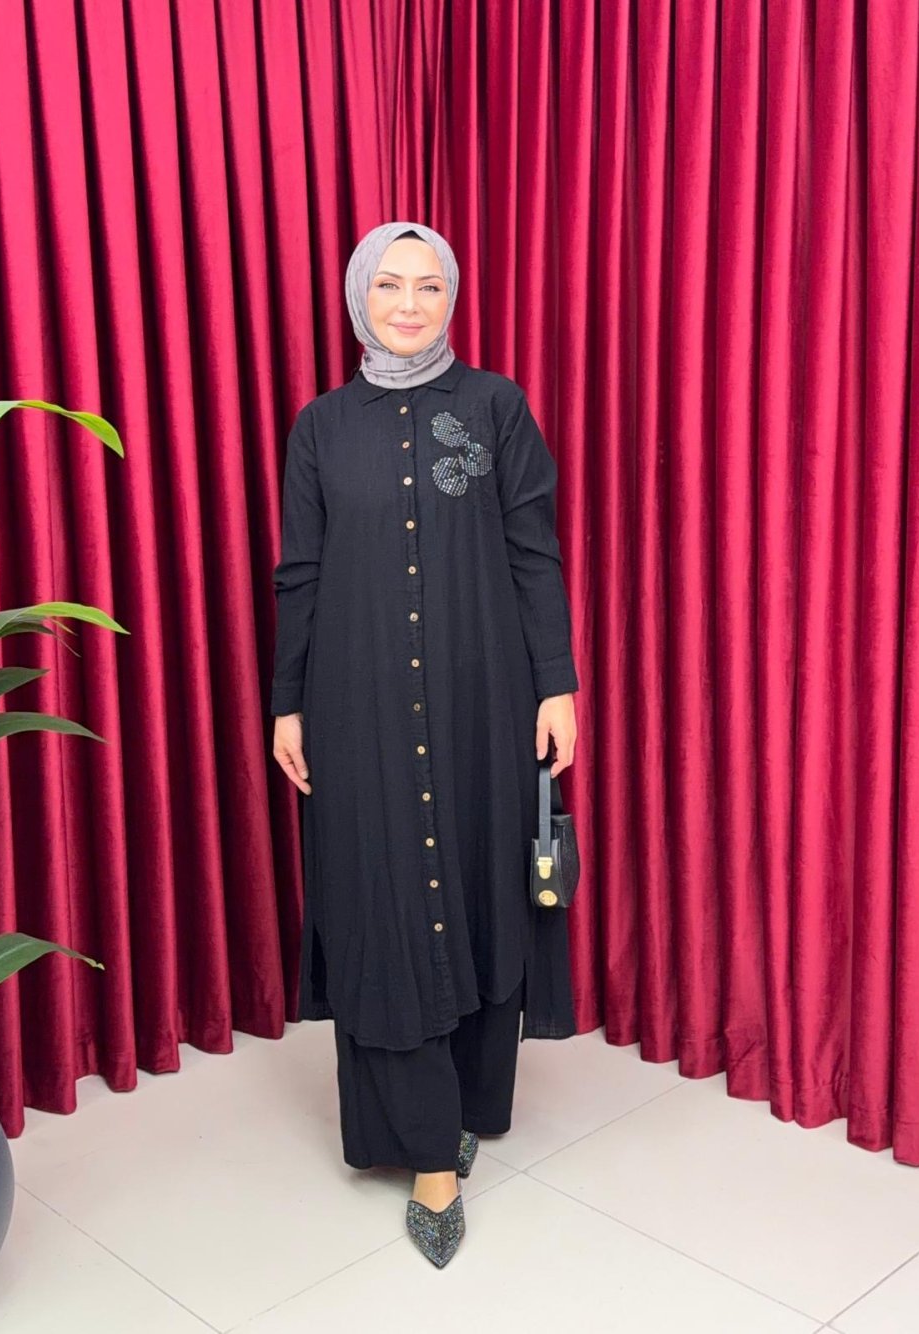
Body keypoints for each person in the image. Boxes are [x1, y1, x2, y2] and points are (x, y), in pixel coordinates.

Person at [270, 220, 579, 1267]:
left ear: (451, 297)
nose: (409, 304)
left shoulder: (493, 407)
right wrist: (288, 703)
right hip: (354, 703)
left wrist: (557, 684)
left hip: (482, 694)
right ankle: (426, 1156)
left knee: (482, 888)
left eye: (429, 286)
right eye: (390, 285)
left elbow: (532, 550)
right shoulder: (322, 426)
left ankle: (470, 1103)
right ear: (360, 296)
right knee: (386, 902)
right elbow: (301, 571)